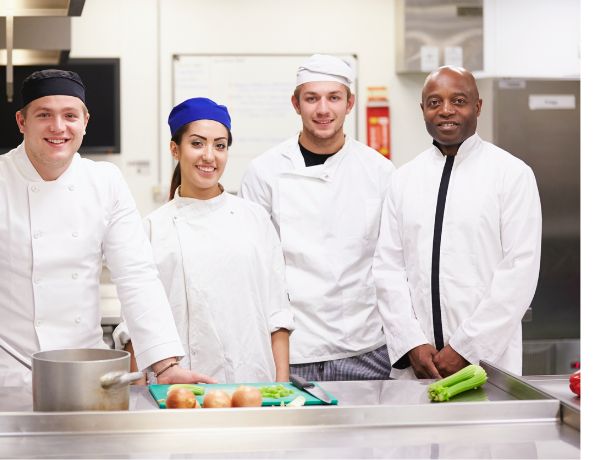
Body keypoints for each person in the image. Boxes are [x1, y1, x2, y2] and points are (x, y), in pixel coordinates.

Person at [0, 69, 214, 386]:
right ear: (22, 121)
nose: (58, 127)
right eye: (44, 115)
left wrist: (165, 365)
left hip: (83, 369)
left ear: (85, 121)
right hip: (8, 371)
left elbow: (136, 274)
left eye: (70, 115)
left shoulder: (104, 181)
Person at [373, 66, 542, 379]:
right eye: (434, 102)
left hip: (486, 365)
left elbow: (519, 271)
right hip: (418, 366)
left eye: (459, 101)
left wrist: (467, 348)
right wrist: (411, 343)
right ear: (422, 109)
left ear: (477, 106)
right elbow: (388, 269)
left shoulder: (511, 175)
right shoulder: (404, 179)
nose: (446, 110)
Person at [114, 97, 294, 383]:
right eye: (197, 143)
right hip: (177, 388)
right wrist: (138, 395)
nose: (209, 156)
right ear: (175, 149)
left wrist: (283, 387)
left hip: (253, 383)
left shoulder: (255, 219)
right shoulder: (152, 228)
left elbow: (278, 315)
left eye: (220, 146)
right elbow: (137, 323)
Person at [239, 54, 395, 381]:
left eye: (333, 97)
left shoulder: (380, 171)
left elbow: (393, 263)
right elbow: (253, 267)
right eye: (312, 98)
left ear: (349, 103)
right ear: (296, 104)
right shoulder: (264, 171)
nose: (323, 109)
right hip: (291, 351)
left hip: (365, 349)